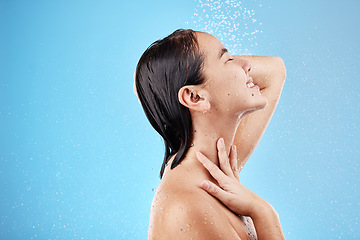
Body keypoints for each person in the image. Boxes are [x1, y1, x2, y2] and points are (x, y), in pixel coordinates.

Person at [134, 29, 286, 239]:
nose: (246, 64)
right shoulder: (189, 205)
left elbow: (275, 70)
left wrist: (154, 80)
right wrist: (264, 213)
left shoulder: (216, 166)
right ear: (194, 97)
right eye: (228, 59)